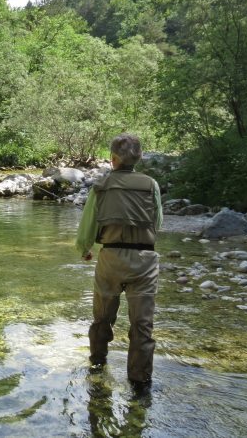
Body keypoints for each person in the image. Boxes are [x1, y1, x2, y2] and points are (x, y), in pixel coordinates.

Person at [75, 133, 162, 390]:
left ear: (113, 159)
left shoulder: (101, 186)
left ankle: (98, 365)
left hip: (111, 259)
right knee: (142, 324)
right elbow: (158, 223)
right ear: (139, 158)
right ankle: (140, 382)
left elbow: (88, 225)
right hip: (145, 261)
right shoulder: (151, 185)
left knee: (102, 318)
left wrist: (84, 249)